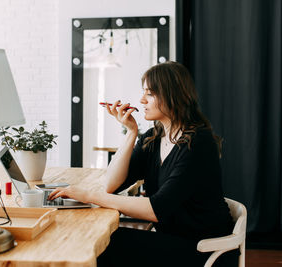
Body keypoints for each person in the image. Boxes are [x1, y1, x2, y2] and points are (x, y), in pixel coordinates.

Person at [49, 61, 238, 266]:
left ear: (172, 95)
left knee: (104, 245)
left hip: (204, 249)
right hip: (175, 239)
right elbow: (111, 184)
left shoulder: (198, 142)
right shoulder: (154, 137)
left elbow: (156, 210)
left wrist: (89, 196)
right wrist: (131, 132)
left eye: (149, 93)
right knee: (100, 240)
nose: (142, 100)